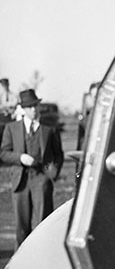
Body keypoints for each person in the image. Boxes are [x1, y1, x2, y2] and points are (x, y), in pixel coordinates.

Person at [0, 89, 64, 249]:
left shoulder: (48, 129)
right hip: (20, 182)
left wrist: (52, 174)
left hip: (41, 180)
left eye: (35, 106)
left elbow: (58, 154)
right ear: (23, 109)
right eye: (29, 107)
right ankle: (20, 265)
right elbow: (3, 153)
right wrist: (20, 158)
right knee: (22, 228)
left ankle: (44, 258)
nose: (33, 110)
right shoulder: (12, 128)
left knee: (44, 224)